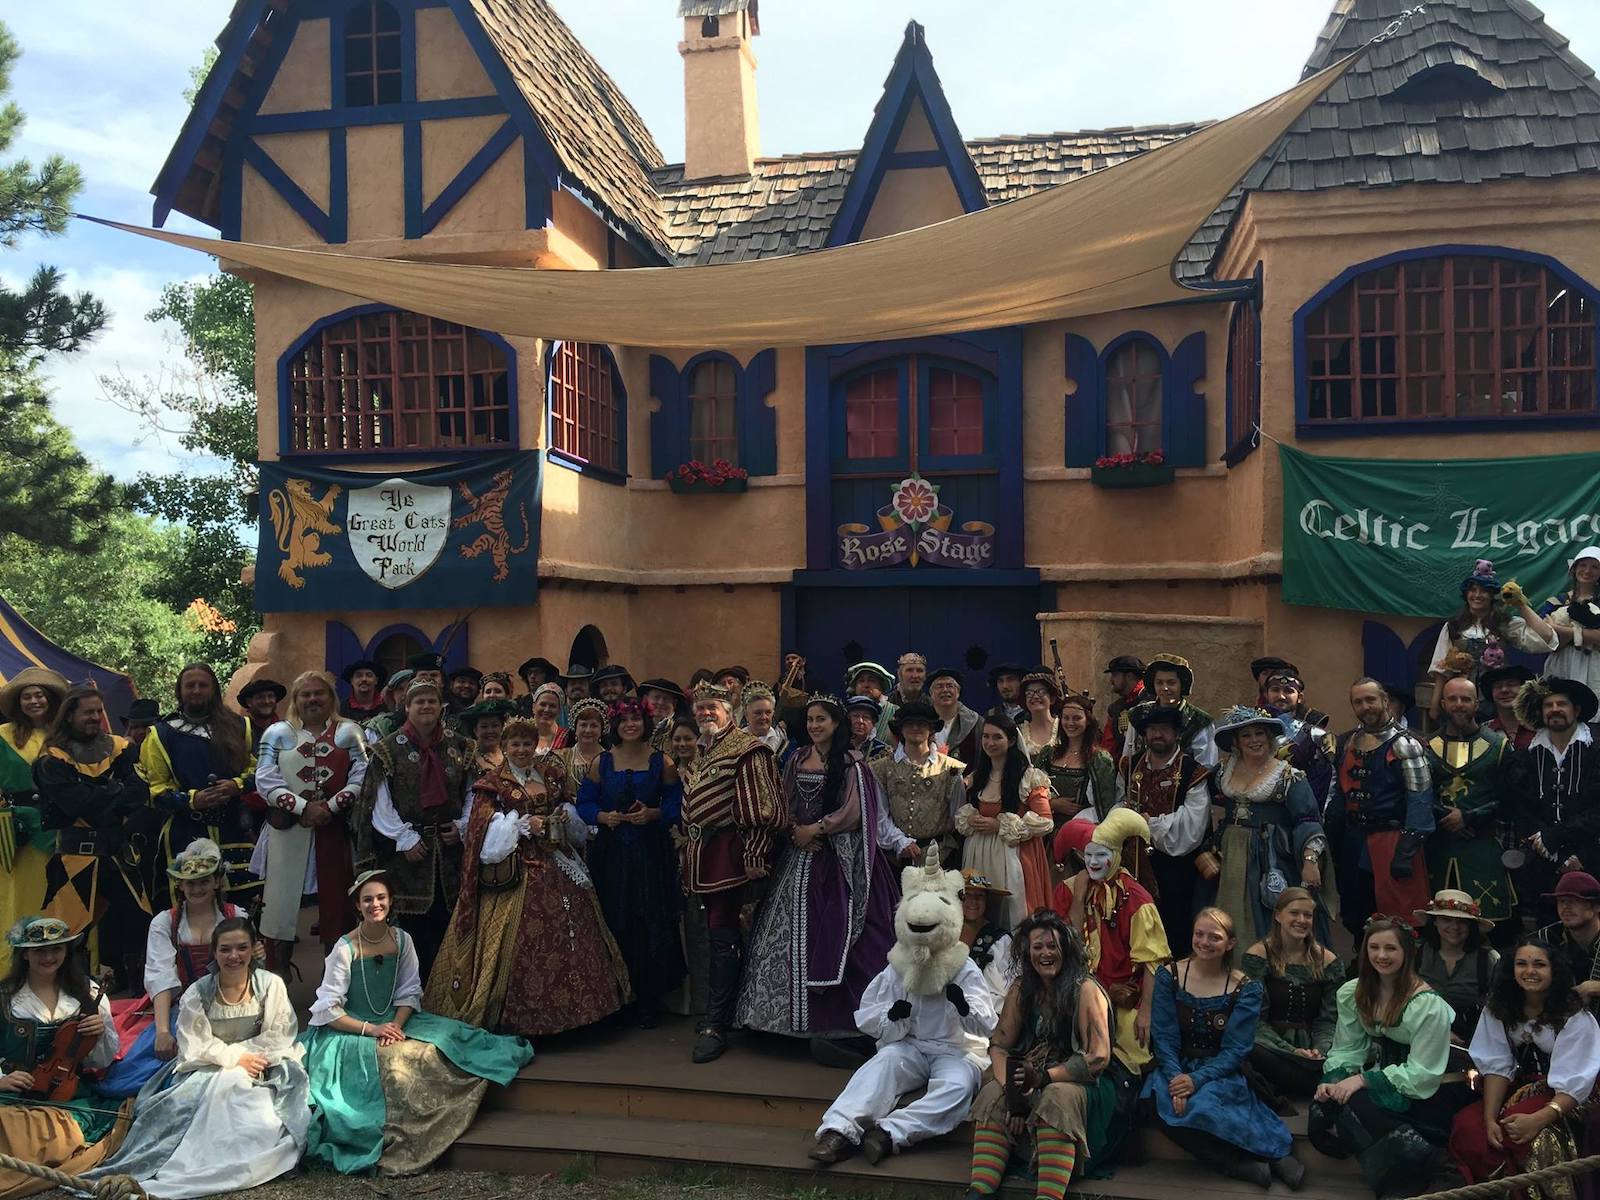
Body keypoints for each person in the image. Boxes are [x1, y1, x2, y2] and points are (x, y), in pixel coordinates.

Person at [299, 871, 532, 1175]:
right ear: (358, 906)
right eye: (367, 899)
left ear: (391, 901)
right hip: (352, 1029)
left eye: (381, 898)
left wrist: (394, 1025)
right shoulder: (345, 947)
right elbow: (329, 1009)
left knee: (447, 1044)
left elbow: (409, 991)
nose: (375, 904)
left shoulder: (402, 939)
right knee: (393, 1063)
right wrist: (373, 1029)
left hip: (396, 1021)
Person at [426, 716, 630, 1035]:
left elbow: (565, 802)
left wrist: (565, 815)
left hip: (556, 860)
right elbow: (480, 828)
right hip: (516, 868)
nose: (522, 749)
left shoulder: (550, 774)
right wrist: (521, 825)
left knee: (575, 931)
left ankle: (581, 1013)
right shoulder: (491, 782)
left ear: (535, 745)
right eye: (515, 744)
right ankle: (518, 1017)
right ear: (504, 747)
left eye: (527, 743)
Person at [83, 916, 308, 1198]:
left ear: (253, 949)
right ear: (214, 952)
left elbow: (279, 1032)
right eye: (225, 949)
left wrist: (249, 1059)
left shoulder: (270, 985)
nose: (234, 956)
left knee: (261, 1112)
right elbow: (194, 1043)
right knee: (207, 1100)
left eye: (241, 948)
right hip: (209, 1065)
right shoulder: (198, 992)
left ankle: (242, 1157)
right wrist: (234, 1058)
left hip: (264, 1061)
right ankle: (193, 1162)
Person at [737, 694, 901, 1059]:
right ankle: (782, 1023)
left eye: (821, 720)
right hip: (799, 858)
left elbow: (855, 812)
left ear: (836, 723)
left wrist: (818, 829)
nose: (814, 726)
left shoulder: (853, 764)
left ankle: (842, 1026)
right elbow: (785, 800)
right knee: (784, 935)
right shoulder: (796, 758)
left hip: (839, 860)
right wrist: (796, 829)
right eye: (810, 720)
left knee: (848, 934)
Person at [810, 848, 998, 1166]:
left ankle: (889, 1133)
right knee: (880, 1065)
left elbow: (987, 1025)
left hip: (955, 1051)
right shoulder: (898, 965)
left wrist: (963, 1007)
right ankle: (838, 1131)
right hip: (910, 1046)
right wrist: (892, 1016)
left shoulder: (964, 967)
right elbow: (868, 1014)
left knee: (958, 1088)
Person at [1143, 907, 1302, 1190]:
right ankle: (1240, 1166)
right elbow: (1164, 1036)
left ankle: (1276, 1156)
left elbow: (1236, 1049)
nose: (1204, 942)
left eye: (1214, 937)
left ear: (1230, 943)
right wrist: (1177, 1078)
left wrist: (1196, 1080)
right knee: (1167, 1107)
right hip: (1175, 1065)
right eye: (1199, 934)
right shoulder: (1170, 976)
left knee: (1209, 1104)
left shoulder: (1245, 988)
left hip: (1220, 1068)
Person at [965, 911, 1114, 1200]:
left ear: (1065, 949)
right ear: (1027, 952)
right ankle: (979, 1192)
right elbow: (998, 1046)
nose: (1045, 953)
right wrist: (1013, 1095)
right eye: (1037, 947)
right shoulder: (1022, 988)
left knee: (1056, 1096)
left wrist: (1045, 1077)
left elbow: (1098, 1057)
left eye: (1052, 946)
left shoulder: (1085, 990)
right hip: (1031, 1075)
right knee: (991, 1093)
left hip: (1081, 1084)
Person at [1309, 916, 1457, 1197]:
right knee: (1329, 1100)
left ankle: (1419, 1166)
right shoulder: (1355, 992)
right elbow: (1348, 1048)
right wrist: (1335, 1078)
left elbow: (1423, 1073)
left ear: (1407, 953)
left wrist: (1361, 1081)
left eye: (1390, 948)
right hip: (1384, 1077)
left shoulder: (1428, 1006)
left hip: (1430, 1089)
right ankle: (1408, 1162)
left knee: (1353, 1101)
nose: (1381, 955)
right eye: (1374, 947)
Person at [678, 680, 783, 1063]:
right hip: (702, 854)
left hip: (730, 855)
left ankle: (717, 1024)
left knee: (725, 935)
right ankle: (719, 1012)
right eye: (701, 708)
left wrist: (754, 853)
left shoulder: (748, 749)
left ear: (729, 710)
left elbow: (763, 810)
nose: (706, 714)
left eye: (714, 708)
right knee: (713, 934)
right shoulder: (703, 751)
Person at [1449, 935, 1600, 1190]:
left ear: (1554, 971)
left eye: (1539, 965)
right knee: (1468, 1126)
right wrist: (1489, 1119)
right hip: (1519, 1085)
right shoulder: (1498, 1008)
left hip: (1573, 1094)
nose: (1530, 971)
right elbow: (1497, 1067)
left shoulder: (1574, 1015)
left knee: (1528, 1133)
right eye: (1522, 964)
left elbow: (1577, 1079)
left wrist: (1539, 1119)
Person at [99, 838, 245, 1099]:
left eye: (204, 881)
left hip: (233, 1006)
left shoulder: (237, 917)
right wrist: (164, 1031)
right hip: (182, 1007)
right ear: (180, 884)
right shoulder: (165, 922)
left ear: (216, 881)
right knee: (139, 1074)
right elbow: (161, 977)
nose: (197, 888)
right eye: (191, 882)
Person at [1053, 810, 1171, 1127]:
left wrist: (1146, 1010)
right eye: (1088, 854)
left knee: (1132, 1057)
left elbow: (1153, 962)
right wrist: (1078, 900)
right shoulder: (1068, 890)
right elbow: (1066, 949)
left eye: (1101, 855)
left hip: (1124, 1002)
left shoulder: (1136, 898)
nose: (1093, 862)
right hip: (1077, 999)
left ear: (1116, 855)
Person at [355, 678, 475, 981]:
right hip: (409, 853)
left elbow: (472, 792)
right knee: (412, 927)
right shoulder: (386, 749)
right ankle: (411, 992)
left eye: (431, 701)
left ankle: (446, 994)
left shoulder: (460, 745)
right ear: (406, 707)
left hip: (450, 850)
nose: (426, 706)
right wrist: (404, 837)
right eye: (418, 701)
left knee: (449, 923)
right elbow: (379, 802)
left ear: (441, 706)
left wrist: (462, 827)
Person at [577, 698, 686, 1027]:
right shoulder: (602, 762)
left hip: (650, 853)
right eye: (624, 720)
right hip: (612, 855)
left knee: (648, 920)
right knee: (615, 919)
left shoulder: (661, 762)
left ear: (645, 723)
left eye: (636, 719)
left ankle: (648, 1000)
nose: (630, 724)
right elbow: (585, 802)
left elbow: (676, 803)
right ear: (616, 725)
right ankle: (616, 998)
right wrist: (602, 816)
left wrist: (653, 814)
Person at [32, 687, 152, 986]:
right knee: (70, 931)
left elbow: (139, 792)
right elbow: (77, 804)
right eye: (88, 712)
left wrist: (101, 795)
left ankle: (140, 993)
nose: (95, 717)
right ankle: (75, 996)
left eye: (99, 711)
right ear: (70, 714)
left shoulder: (120, 747)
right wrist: (114, 791)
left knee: (140, 922)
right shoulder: (51, 758)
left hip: (118, 852)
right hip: (76, 856)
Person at [0, 916, 125, 1197]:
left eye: (56, 949)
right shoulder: (5, 998)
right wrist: (2, 1079)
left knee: (52, 1133)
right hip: (11, 1094)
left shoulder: (89, 994)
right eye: (39, 950)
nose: (48, 956)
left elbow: (101, 1062)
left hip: (67, 1095)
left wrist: (101, 1032)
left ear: (67, 952)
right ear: (24, 954)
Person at [252, 670, 367, 965]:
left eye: (319, 693)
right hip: (288, 830)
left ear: (331, 698)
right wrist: (303, 808)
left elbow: (362, 775)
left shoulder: (350, 731)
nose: (312, 699)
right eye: (305, 694)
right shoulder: (277, 733)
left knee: (338, 904)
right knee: (279, 906)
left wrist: (329, 807)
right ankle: (278, 978)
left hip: (335, 829)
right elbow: (265, 778)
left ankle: (336, 977)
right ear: (295, 699)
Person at [1205, 706, 1332, 944]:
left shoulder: (1288, 776)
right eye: (1246, 735)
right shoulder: (1223, 772)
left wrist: (1310, 861)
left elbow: (1308, 820)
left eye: (1260, 733)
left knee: (1272, 913)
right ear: (1236, 742)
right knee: (1225, 910)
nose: (1254, 740)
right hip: (1230, 855)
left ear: (1270, 737)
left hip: (1271, 856)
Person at [141, 663, 257, 909]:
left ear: (213, 690)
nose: (196, 690)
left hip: (235, 828)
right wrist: (192, 800)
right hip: (185, 831)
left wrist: (236, 785)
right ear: (179, 691)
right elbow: (155, 790)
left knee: (243, 908)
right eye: (189, 685)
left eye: (202, 685)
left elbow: (260, 771)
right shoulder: (160, 734)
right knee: (190, 908)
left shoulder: (240, 726)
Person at [1326, 679, 1435, 936]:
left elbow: (1420, 799)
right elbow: (1341, 796)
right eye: (1358, 702)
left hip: (1393, 841)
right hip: (1354, 841)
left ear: (1385, 701)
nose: (1365, 707)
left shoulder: (1406, 745)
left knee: (1399, 917)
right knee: (1355, 911)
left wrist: (1406, 850)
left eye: (1370, 700)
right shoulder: (1349, 742)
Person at [1114, 703, 1211, 949]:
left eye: (1165, 729)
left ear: (1177, 733)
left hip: (1174, 867)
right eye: (1152, 729)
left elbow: (1192, 824)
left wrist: (1148, 824)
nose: (1158, 735)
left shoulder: (1192, 771)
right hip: (1131, 862)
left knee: (1172, 929)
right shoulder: (1129, 765)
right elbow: (1117, 804)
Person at [1425, 677, 1513, 926]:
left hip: (1483, 847)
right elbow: (1418, 795)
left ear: (1477, 704)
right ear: (1443, 703)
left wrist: (1469, 817)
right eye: (1452, 698)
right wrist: (1445, 816)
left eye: (1466, 699)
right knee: (1439, 927)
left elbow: (1508, 798)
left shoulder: (1500, 746)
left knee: (1489, 927)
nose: (1459, 704)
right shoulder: (1426, 746)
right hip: (1438, 850)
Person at [1242, 887, 1345, 1101]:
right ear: (1278, 915)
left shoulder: (1327, 961)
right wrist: (1290, 1051)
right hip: (1271, 1046)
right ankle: (1307, 1083)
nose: (1302, 920)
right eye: (1294, 913)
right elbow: (1255, 1019)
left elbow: (1329, 1019)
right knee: (1248, 1048)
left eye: (1307, 915)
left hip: (1314, 1050)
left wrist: (1320, 1050)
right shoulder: (1259, 956)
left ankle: (1309, 1079)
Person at [957, 712, 1053, 927]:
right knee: (981, 907)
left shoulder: (1028, 776)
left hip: (1013, 855)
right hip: (979, 852)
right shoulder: (978, 775)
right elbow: (967, 809)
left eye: (997, 737)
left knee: (1012, 910)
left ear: (1010, 740)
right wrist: (972, 819)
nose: (989, 742)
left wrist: (1001, 825)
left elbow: (1045, 820)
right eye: (986, 736)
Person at [1511, 677, 1600, 907]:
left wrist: (1565, 843)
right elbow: (1521, 807)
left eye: (1562, 704)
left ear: (1576, 710)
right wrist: (1551, 849)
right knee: (1546, 928)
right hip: (1543, 859)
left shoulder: (1596, 748)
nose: (1555, 710)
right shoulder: (1527, 754)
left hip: (1591, 855)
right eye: (1548, 705)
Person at [0, 667, 66, 973]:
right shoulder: (3, 735)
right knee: (16, 897)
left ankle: (59, 965)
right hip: (17, 830)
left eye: (40, 694)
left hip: (59, 827)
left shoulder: (65, 735)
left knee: (58, 896)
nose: (34, 700)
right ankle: (12, 969)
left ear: (50, 699)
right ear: (19, 702)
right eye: (27, 696)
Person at [1428, 560, 1557, 710]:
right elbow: (1441, 670)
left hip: (1496, 697)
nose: (1477, 595)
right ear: (1466, 594)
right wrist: (1435, 706)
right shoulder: (1453, 626)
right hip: (1460, 700)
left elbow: (1546, 638)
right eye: (1473, 590)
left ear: (1491, 596)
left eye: (1483, 591)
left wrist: (1520, 604)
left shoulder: (1505, 624)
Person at [871, 699, 965, 863]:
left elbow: (958, 815)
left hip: (940, 858)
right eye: (909, 724)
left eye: (921, 723)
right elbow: (880, 816)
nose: (915, 728)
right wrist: (900, 842)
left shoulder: (952, 769)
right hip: (895, 859)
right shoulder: (881, 768)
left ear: (931, 728)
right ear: (900, 729)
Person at [1413, 890, 1499, 1066]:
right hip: (1420, 1038)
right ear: (1435, 922)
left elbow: (1500, 1006)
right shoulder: (1416, 954)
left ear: (1471, 927)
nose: (1454, 927)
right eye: (1447, 920)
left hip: (1473, 1044)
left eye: (1462, 922)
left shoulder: (1489, 959)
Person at [1033, 689, 1116, 832]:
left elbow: (1105, 806)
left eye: (1077, 718)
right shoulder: (1048, 754)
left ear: (1088, 720)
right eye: (1066, 718)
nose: (1070, 723)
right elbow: (1030, 792)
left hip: (1081, 832)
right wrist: (1053, 804)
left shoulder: (1099, 759)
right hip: (1045, 831)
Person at [1120, 654, 1215, 767]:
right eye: (1159, 683)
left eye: (1171, 683)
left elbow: (1205, 767)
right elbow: (1128, 759)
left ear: (1182, 684)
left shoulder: (1199, 721)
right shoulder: (1138, 714)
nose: (1165, 688)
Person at [1264, 669, 1336, 804]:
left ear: (1300, 697)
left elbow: (1325, 781)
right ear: (1266, 694)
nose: (1281, 696)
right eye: (1275, 690)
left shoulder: (1315, 736)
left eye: (1288, 691)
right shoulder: (1251, 729)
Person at [1540, 546, 1600, 696]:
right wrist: (1589, 634)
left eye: (1594, 567)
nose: (1587, 571)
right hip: (1561, 663)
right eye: (1583, 565)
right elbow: (1546, 638)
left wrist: (1562, 630)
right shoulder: (1556, 602)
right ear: (1574, 569)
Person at [1536, 871, 1600, 1012]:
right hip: (1560, 1025)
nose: (1565, 907)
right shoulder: (1547, 938)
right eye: (1561, 901)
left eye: (1575, 900)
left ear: (1597, 906)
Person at [961, 869, 1019, 1004]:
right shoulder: (942, 935)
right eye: (966, 895)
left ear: (986, 900)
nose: (973, 901)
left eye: (979, 896)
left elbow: (1001, 993)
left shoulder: (1000, 940)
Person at [558, 697, 608, 805]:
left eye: (594, 725)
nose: (588, 730)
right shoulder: (562, 757)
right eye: (583, 725)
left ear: (601, 730)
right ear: (575, 729)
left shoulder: (611, 758)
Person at [928, 668, 981, 764]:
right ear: (931, 694)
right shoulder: (922, 723)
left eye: (950, 686)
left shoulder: (976, 722)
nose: (945, 690)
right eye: (939, 686)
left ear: (958, 692)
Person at [1482, 664, 1538, 751]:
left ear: (1524, 689)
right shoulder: (1484, 732)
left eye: (1511, 684)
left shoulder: (1540, 728)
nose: (1504, 690)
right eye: (1498, 686)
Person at [1100, 655, 1145, 755]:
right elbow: (1108, 746)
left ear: (1129, 676)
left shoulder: (1152, 701)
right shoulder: (1115, 708)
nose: (1111, 680)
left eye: (1115, 675)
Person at [461, 697, 516, 774]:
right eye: (484, 726)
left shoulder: (512, 755)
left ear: (502, 728)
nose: (490, 731)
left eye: (495, 725)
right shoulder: (466, 758)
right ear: (475, 730)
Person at [847, 661, 897, 740]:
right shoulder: (845, 711)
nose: (866, 685)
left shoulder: (895, 712)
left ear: (882, 686)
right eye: (861, 681)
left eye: (872, 680)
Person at [1017, 671, 1061, 760]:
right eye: (1029, 693)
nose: (1035, 697)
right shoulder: (1019, 731)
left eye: (1041, 692)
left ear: (1052, 699)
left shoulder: (1063, 727)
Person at [362, 669, 413, 743]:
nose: (405, 694)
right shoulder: (379, 726)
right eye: (400, 689)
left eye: (409, 688)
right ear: (392, 695)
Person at [743, 682, 790, 759]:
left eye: (768, 712)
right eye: (758, 713)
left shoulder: (781, 743)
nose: (764, 717)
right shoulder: (736, 742)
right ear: (746, 715)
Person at [238, 678, 286, 745]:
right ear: (249, 702)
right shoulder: (240, 729)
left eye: (270, 696)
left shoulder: (286, 729)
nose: (267, 701)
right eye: (260, 697)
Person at [527, 681, 571, 752]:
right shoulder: (522, 734)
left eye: (552, 706)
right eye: (543, 704)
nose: (547, 710)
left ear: (559, 710)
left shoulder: (569, 738)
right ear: (534, 707)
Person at [844, 694, 888, 762]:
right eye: (856, 716)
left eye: (866, 717)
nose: (860, 721)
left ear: (873, 723)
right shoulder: (835, 745)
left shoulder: (881, 751)